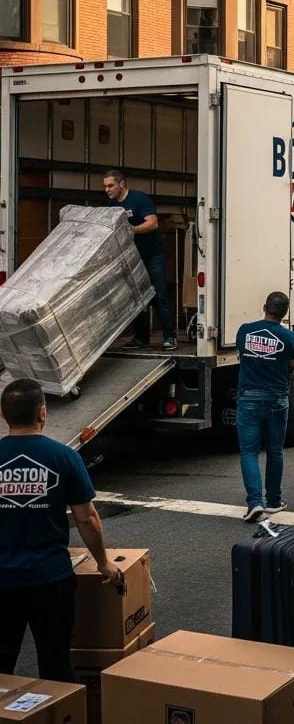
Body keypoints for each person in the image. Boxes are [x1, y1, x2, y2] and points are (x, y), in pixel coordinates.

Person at [0, 379, 122, 682]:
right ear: (43, 412)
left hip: (2, 579)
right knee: (55, 660)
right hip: (50, 578)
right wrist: (103, 562)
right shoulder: (64, 457)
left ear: (3, 415)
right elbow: (87, 518)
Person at [236, 291, 294, 522]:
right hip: (276, 399)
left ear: (264, 307)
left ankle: (255, 502)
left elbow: (241, 357)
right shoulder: (290, 338)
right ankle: (274, 500)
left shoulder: (245, 331)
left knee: (249, 452)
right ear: (284, 314)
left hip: (249, 398)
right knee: (274, 450)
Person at [103, 169, 176, 352]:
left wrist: (131, 230)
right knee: (136, 298)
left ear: (122, 184)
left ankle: (170, 337)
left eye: (110, 185)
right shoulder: (111, 206)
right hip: (132, 257)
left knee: (158, 295)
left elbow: (153, 223)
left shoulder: (139, 199)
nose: (107, 189)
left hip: (153, 255)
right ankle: (141, 338)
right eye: (105, 186)